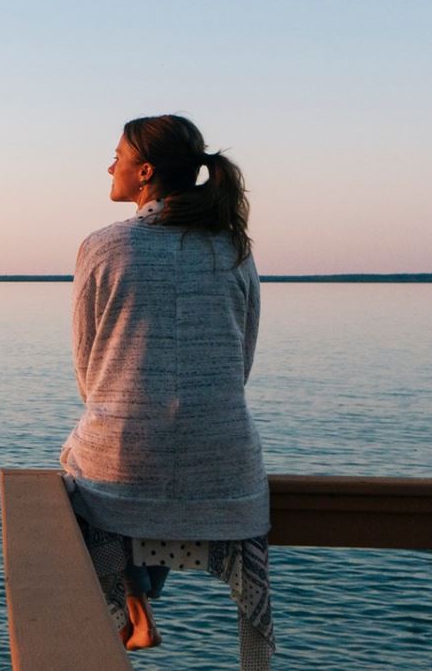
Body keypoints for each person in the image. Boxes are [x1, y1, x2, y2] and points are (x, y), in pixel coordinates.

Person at [60, 114, 273, 669]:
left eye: (118, 156)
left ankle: (134, 600)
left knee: (85, 470)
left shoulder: (104, 246)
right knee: (143, 465)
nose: (109, 166)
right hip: (227, 464)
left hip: (126, 460)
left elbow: (90, 374)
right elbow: (240, 362)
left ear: (145, 172)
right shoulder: (234, 248)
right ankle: (141, 597)